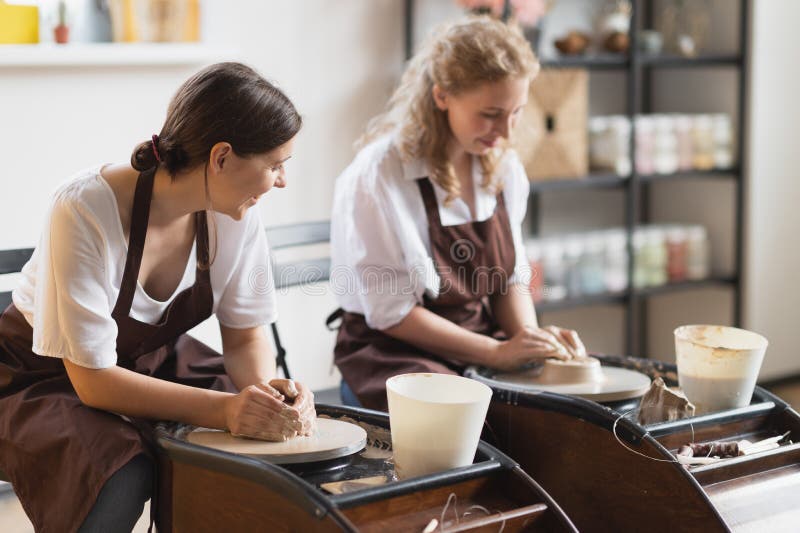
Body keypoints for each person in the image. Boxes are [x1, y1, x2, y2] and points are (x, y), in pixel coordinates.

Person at [0, 62, 316, 532]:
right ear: (221, 157)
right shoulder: (83, 209)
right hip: (43, 376)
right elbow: (94, 383)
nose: (282, 180)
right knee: (119, 471)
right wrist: (228, 410)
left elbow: (246, 338)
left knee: (253, 452)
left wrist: (264, 396)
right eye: (275, 164)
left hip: (148, 361)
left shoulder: (236, 215)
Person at [330, 17, 588, 411]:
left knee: (557, 415)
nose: (506, 131)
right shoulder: (380, 174)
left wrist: (533, 341)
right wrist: (496, 354)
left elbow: (508, 281)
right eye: (490, 114)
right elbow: (393, 315)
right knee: (467, 422)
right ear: (442, 96)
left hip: (478, 344)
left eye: (516, 112)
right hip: (390, 353)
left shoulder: (503, 166)